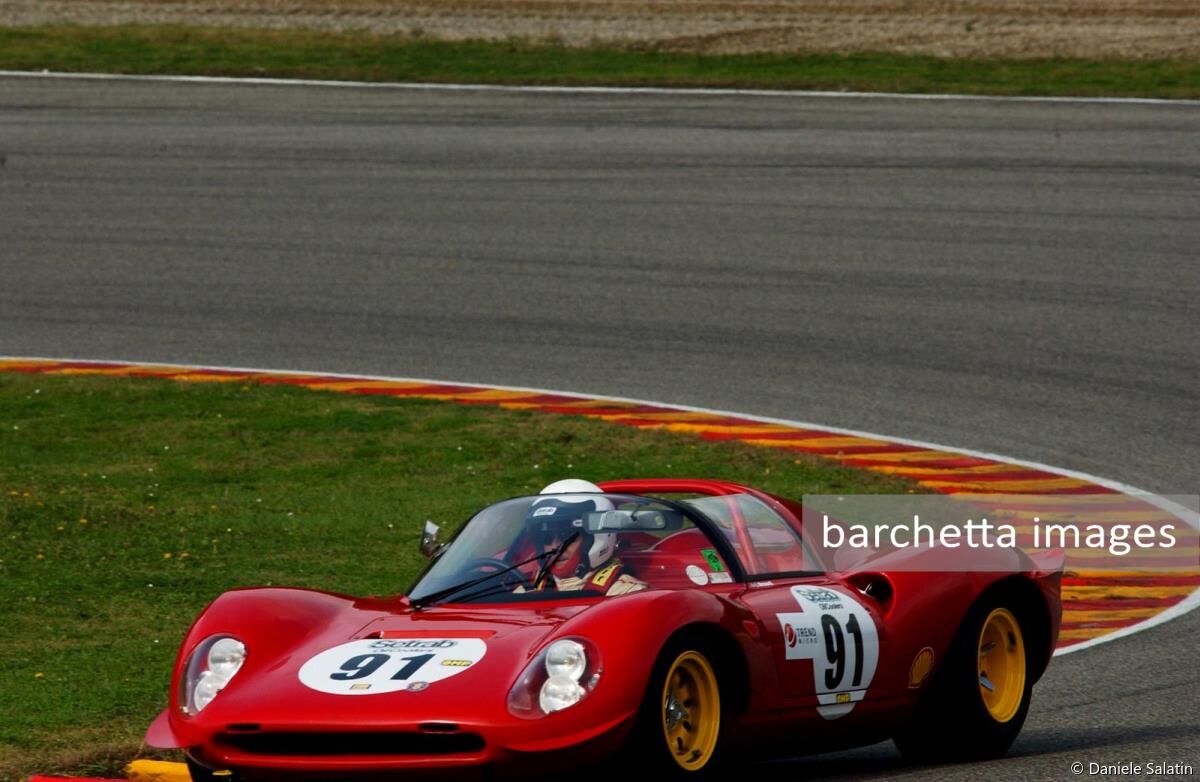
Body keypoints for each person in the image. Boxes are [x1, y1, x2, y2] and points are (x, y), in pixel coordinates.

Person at [521, 479, 647, 597]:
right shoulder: (529, 589)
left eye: (566, 537)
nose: (554, 546)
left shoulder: (625, 593)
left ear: (598, 538)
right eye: (546, 538)